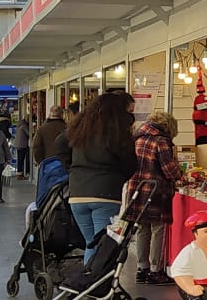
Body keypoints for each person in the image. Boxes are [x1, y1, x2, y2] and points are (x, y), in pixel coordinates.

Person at [64, 91, 138, 248]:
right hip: (106, 193)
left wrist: (72, 168)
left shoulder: (81, 129)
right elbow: (130, 165)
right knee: (102, 247)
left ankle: (87, 272)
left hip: (77, 193)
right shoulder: (117, 134)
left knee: (90, 244)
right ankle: (93, 273)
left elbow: (60, 145)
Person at [130, 111, 182, 284]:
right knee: (158, 229)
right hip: (156, 190)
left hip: (137, 188)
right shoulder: (161, 141)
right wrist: (179, 172)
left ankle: (141, 267)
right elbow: (169, 170)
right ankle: (155, 270)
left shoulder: (138, 138)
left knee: (142, 228)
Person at [33, 105, 69, 170]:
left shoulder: (42, 128)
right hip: (64, 164)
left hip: (47, 163)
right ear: (62, 115)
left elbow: (36, 147)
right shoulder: (67, 128)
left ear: (50, 114)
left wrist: (40, 162)